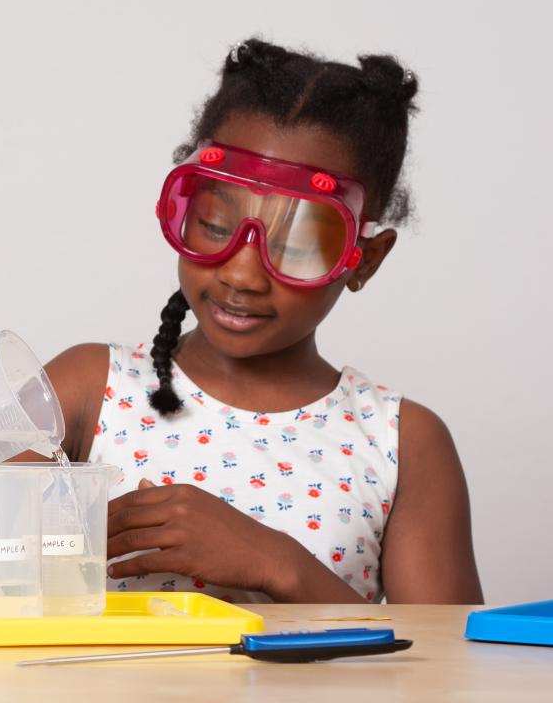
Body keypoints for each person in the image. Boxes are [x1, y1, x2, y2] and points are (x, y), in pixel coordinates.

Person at [42, 39, 483, 603]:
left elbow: (444, 674)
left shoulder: (404, 442)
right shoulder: (87, 389)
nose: (243, 274)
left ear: (364, 259)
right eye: (218, 226)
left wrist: (279, 565)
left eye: (298, 244)